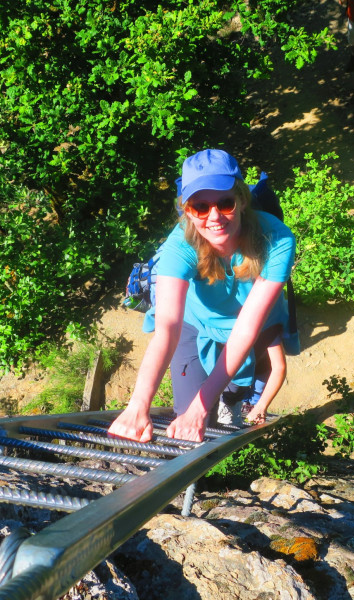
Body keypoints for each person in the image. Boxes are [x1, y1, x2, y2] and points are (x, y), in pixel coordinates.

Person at [107, 149, 296, 443]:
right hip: (194, 324)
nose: (215, 216)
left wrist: (201, 406)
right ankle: (203, 480)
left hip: (249, 325)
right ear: (187, 209)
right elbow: (166, 330)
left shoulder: (277, 239)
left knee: (234, 387)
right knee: (189, 418)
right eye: (200, 207)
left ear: (243, 200)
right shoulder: (179, 247)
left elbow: (247, 328)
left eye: (225, 202)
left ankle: (227, 405)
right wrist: (137, 407)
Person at [244, 324, 287, 425]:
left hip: (263, 366)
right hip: (244, 368)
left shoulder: (269, 327)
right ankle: (244, 405)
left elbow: (279, 367)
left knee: (258, 391)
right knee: (241, 390)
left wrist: (261, 406)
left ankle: (254, 407)